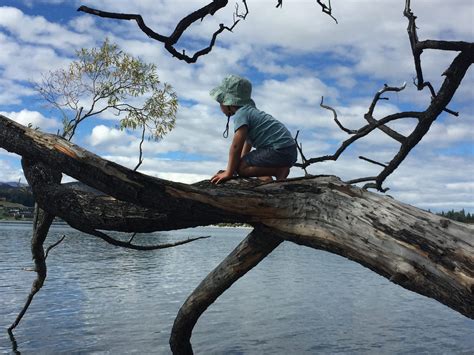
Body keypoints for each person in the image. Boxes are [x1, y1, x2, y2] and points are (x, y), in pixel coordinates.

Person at [209, 74, 297, 184]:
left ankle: (278, 171)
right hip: (289, 150)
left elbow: (236, 146)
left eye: (220, 102)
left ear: (228, 102)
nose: (220, 106)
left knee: (241, 169)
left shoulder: (241, 114)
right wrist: (239, 162)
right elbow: (248, 143)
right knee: (241, 164)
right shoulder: (250, 111)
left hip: (278, 150)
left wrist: (230, 172)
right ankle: (267, 177)